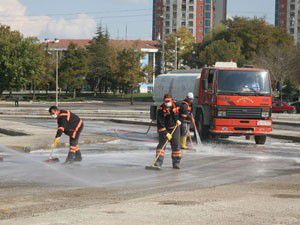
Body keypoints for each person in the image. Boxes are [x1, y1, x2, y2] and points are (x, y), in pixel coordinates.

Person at [155, 94, 182, 169]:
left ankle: (176, 163)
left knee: (176, 145)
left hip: (175, 127)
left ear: (172, 100)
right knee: (161, 145)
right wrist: (166, 133)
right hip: (165, 129)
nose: (167, 102)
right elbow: (160, 124)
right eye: (165, 101)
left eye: (168, 101)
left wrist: (180, 120)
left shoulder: (177, 105)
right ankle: (158, 162)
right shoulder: (161, 110)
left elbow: (185, 110)